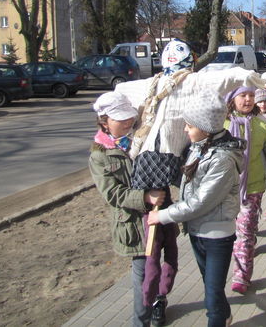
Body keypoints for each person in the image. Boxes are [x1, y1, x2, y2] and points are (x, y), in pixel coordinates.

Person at [147, 90, 243, 327]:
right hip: (197, 232)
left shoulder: (222, 159)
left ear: (206, 128)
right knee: (211, 287)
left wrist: (163, 215)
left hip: (217, 235)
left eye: (189, 125)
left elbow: (201, 201)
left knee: (212, 296)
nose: (185, 130)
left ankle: (219, 318)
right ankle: (225, 315)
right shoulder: (199, 148)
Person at [89, 91, 167, 327]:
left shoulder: (141, 136)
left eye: (128, 117)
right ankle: (141, 321)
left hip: (158, 215)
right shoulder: (100, 155)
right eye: (120, 118)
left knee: (159, 266)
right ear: (104, 122)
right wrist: (145, 196)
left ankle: (159, 303)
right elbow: (113, 194)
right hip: (133, 225)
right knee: (143, 276)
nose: (127, 122)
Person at [225, 86, 266, 294]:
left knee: (245, 233)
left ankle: (241, 276)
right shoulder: (222, 123)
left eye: (251, 96)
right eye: (243, 95)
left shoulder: (261, 124)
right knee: (231, 233)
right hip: (223, 190)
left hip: (253, 188)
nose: (249, 100)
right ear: (232, 99)